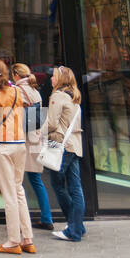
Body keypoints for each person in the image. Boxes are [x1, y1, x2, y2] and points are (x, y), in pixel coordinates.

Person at [0, 57, 34, 254]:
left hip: (1, 145)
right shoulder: (15, 91)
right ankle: (27, 238)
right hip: (19, 143)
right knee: (18, 190)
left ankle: (13, 241)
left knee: (9, 194)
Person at [12, 63, 54, 231]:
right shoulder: (35, 90)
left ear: (16, 74)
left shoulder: (18, 90)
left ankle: (20, 221)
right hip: (35, 139)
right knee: (36, 180)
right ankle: (46, 217)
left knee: (16, 181)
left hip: (22, 139)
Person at [46, 65, 86, 243]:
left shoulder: (58, 96)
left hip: (61, 145)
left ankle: (74, 229)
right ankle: (78, 226)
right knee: (75, 187)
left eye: (53, 76)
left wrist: (38, 134)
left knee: (58, 184)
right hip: (74, 145)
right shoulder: (74, 96)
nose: (51, 79)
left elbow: (52, 123)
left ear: (60, 79)